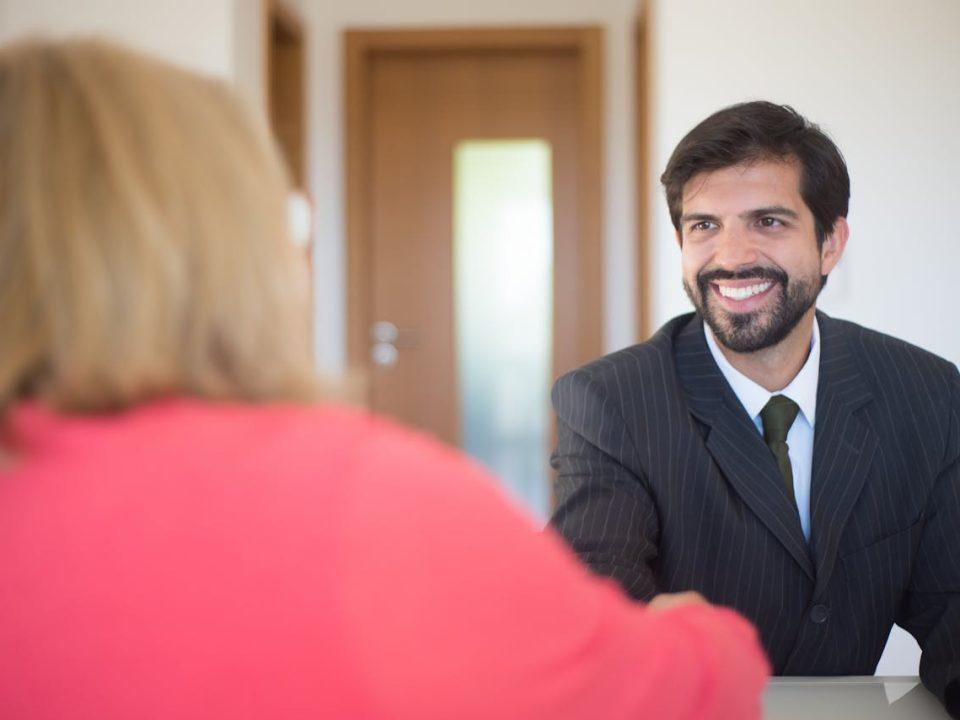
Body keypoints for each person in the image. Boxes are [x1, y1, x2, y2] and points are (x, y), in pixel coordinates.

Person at [0, 39, 768, 720]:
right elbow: (680, 695)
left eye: (767, 220)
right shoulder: (364, 502)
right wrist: (697, 627)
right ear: (240, 247)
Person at [549, 100, 960, 717]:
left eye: (768, 221)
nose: (732, 256)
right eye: (704, 226)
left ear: (830, 243)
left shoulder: (926, 392)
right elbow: (598, 603)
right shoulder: (610, 402)